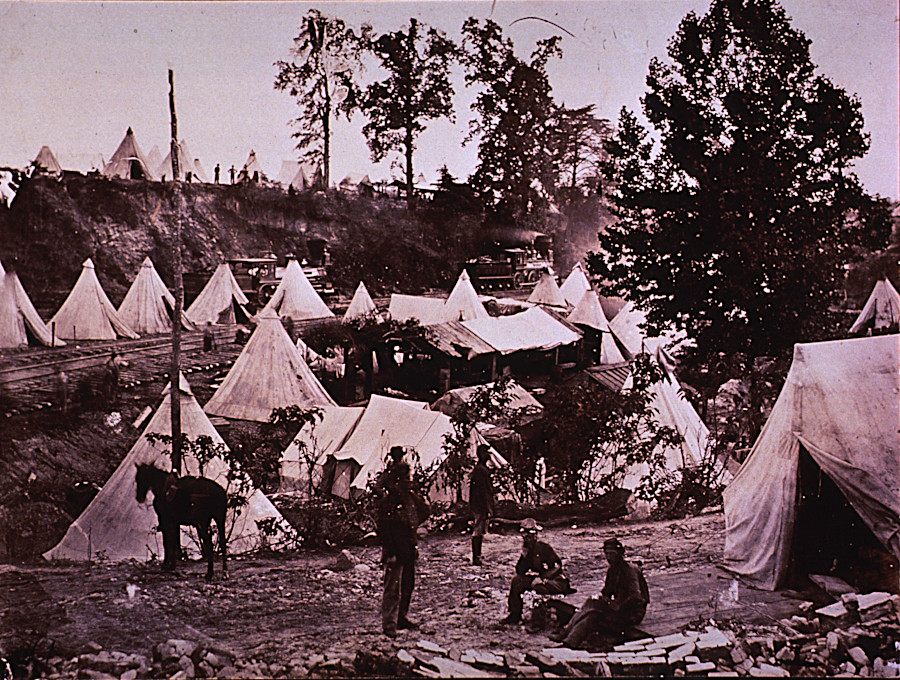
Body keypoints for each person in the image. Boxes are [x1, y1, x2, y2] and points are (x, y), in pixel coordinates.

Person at [549, 537, 649, 648]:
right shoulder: (613, 570)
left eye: (612, 554)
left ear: (620, 554)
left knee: (592, 606)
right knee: (592, 613)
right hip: (620, 608)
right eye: (607, 554)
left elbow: (636, 596)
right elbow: (607, 591)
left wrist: (617, 605)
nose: (609, 557)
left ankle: (565, 632)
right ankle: (570, 641)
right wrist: (602, 599)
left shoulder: (629, 570)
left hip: (633, 612)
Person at [374, 446, 428, 637]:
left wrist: (413, 530)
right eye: (405, 480)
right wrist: (389, 552)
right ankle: (389, 625)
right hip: (395, 551)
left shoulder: (410, 499)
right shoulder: (389, 503)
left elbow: (424, 511)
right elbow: (384, 530)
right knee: (392, 589)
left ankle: (401, 618)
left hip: (408, 547)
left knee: (407, 585)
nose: (409, 482)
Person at [501, 518, 572, 625]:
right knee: (517, 581)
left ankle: (540, 618)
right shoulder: (527, 550)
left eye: (530, 534)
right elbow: (520, 571)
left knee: (539, 586)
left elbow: (557, 566)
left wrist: (543, 578)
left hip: (556, 581)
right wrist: (524, 557)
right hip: (539, 580)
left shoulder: (544, 548)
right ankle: (515, 615)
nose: (527, 538)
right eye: (524, 535)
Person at [469, 444, 494, 566]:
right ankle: (476, 558)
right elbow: (483, 491)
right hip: (480, 505)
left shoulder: (480, 469)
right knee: (478, 531)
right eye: (487, 453)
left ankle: (477, 556)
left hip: (478, 504)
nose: (489, 455)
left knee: (480, 530)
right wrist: (488, 507)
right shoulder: (481, 470)